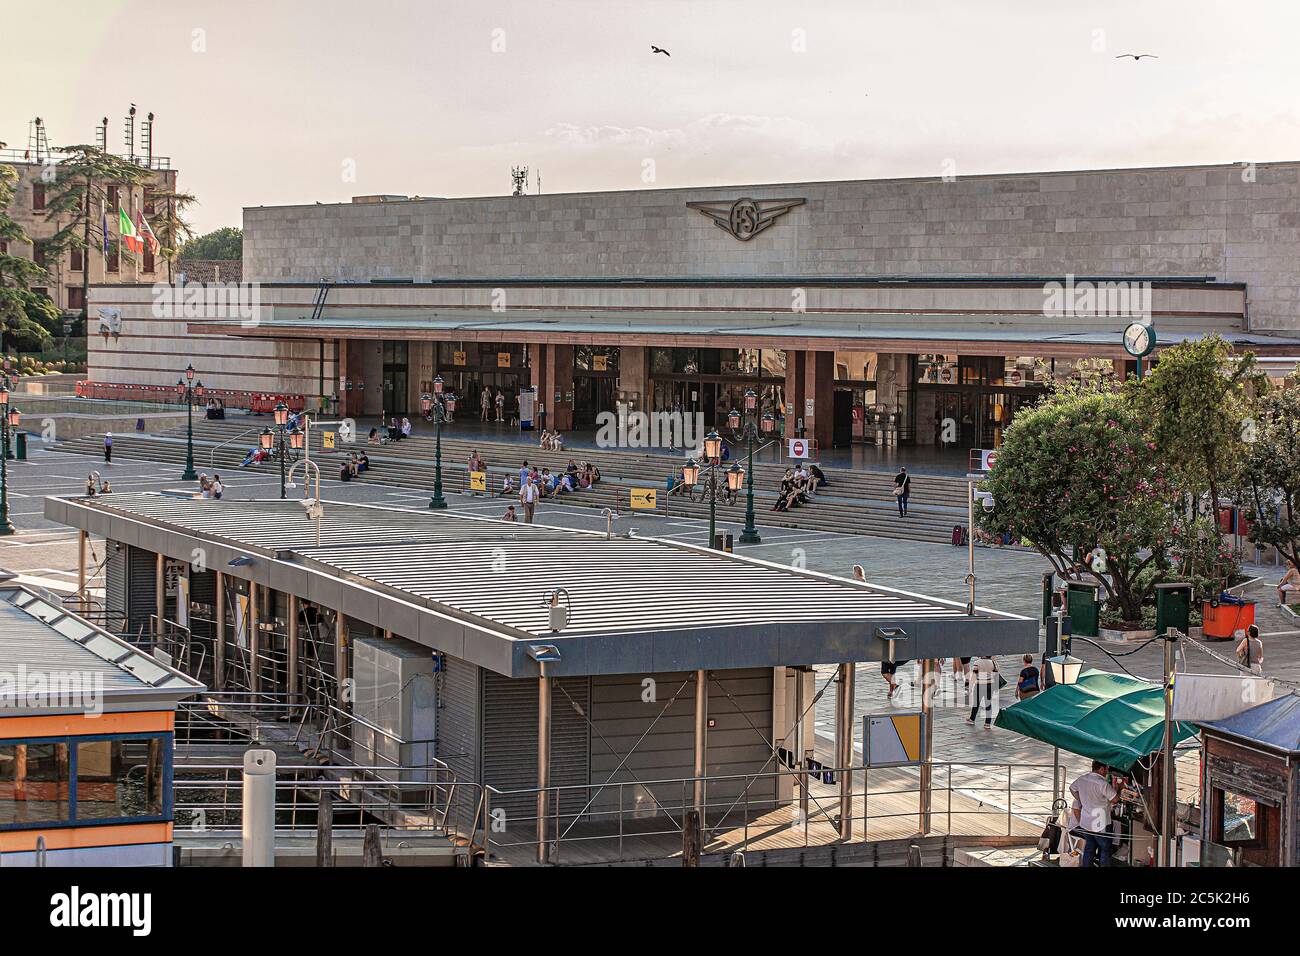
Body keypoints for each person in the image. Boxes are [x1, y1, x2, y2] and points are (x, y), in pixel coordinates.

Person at [1070, 762, 1120, 867]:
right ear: (1102, 769)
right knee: (1105, 849)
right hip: (1100, 822)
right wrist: (1119, 788)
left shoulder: (1082, 779)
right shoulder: (1102, 783)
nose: (1107, 772)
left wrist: (1081, 800)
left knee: (1089, 848)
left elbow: (1072, 788)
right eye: (1106, 769)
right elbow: (1115, 799)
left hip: (1086, 821)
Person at [966, 654, 998, 727]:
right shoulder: (992, 662)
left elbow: (974, 675)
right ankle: (987, 723)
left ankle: (972, 719)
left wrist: (970, 687)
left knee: (976, 703)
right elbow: (996, 672)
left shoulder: (977, 662)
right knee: (988, 703)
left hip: (979, 685)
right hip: (990, 685)